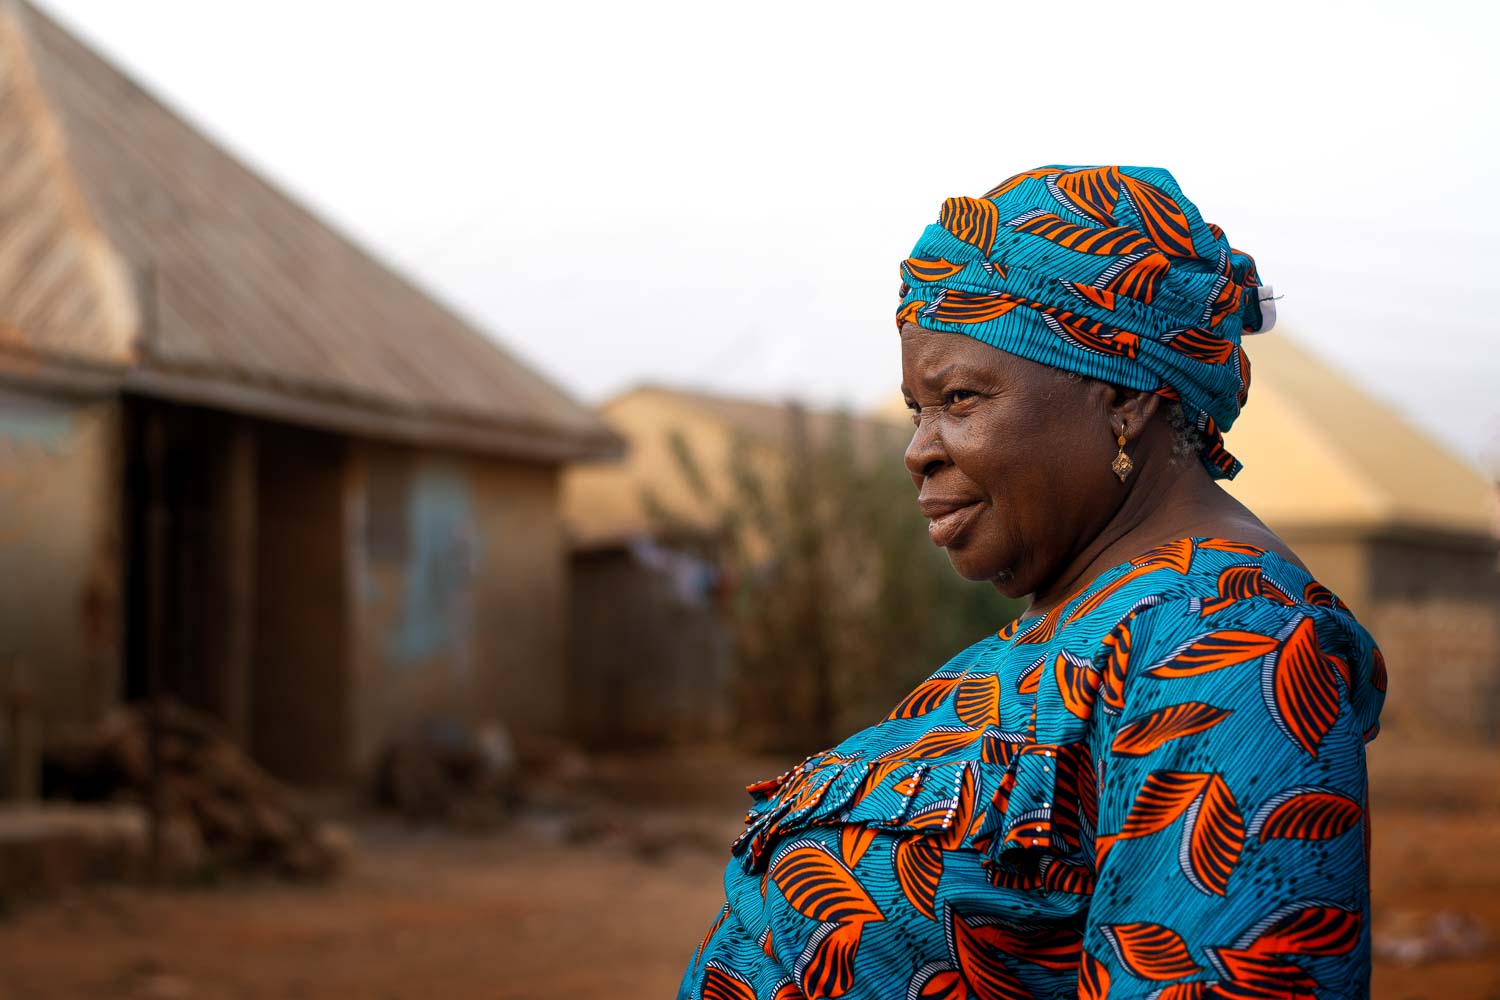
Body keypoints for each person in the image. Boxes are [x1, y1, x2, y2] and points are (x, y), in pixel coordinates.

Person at [677, 166, 1385, 1000]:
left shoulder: (1230, 643)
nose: (919, 449)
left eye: (959, 398)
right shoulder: (1083, 626)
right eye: (917, 409)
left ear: (1122, 396)